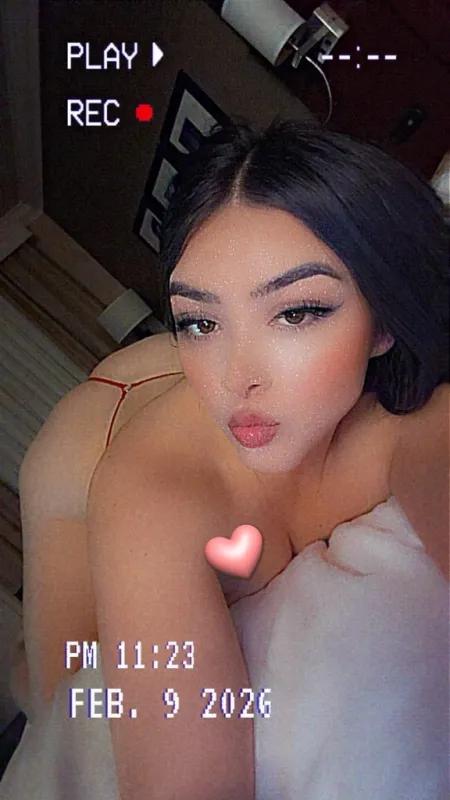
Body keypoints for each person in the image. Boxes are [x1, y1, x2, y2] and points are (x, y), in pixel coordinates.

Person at [12, 117, 449, 799]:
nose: (235, 378)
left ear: (384, 321)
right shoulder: (151, 488)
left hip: (156, 388)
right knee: (51, 698)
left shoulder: (409, 423)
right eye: (199, 320)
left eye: (297, 312)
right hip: (89, 440)